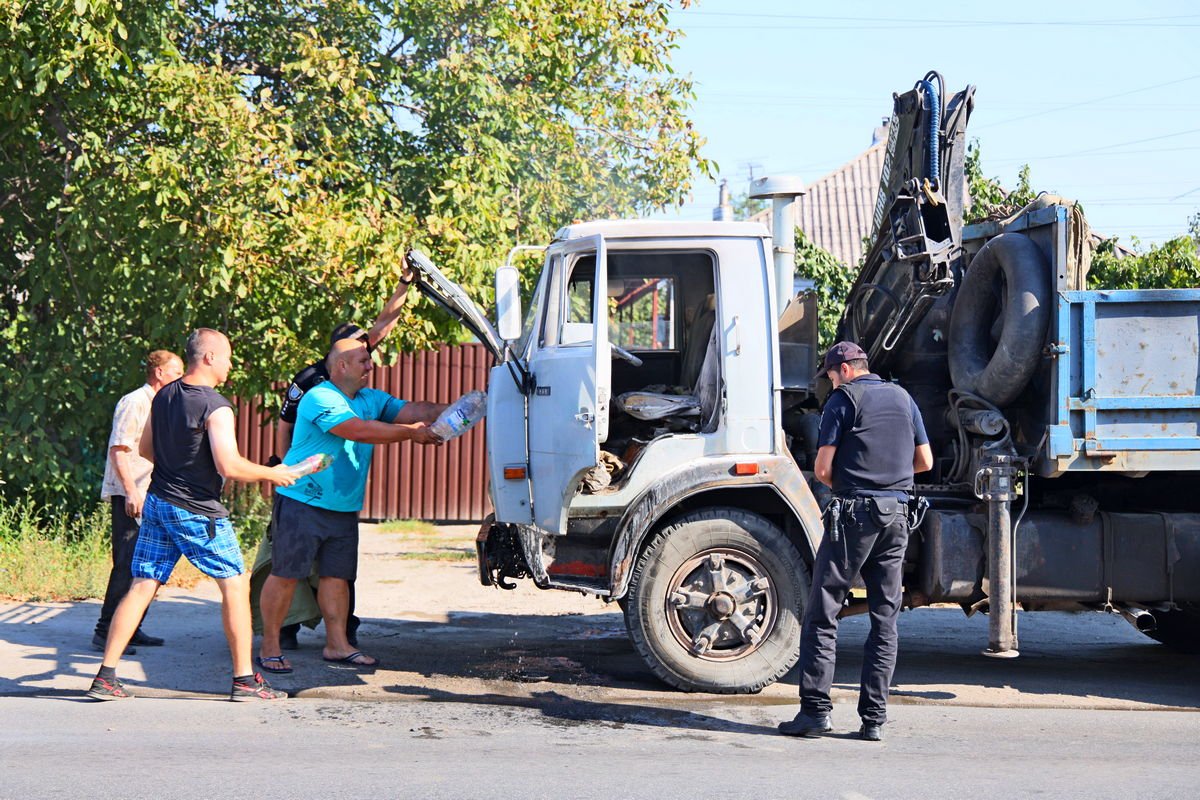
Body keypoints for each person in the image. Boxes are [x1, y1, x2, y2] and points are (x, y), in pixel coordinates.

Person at [87, 329, 298, 702]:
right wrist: (274, 473)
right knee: (235, 583)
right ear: (210, 358)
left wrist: (177, 469)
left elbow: (147, 449)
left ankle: (105, 676)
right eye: (229, 356)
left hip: (158, 502)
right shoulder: (215, 406)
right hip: (198, 511)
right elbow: (229, 465)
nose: (231, 364)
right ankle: (245, 680)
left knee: (142, 584)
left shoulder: (163, 395)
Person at [255, 336, 444, 673]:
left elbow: (415, 410)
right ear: (342, 365)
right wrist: (410, 433)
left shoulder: (370, 398)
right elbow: (356, 430)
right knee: (286, 575)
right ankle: (270, 646)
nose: (371, 366)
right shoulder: (319, 397)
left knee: (336, 577)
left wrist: (459, 409)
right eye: (363, 361)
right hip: (302, 501)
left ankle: (338, 645)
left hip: (341, 507)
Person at [779, 341, 934, 742]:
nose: (829, 382)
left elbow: (823, 468)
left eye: (830, 374)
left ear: (845, 369)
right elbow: (925, 463)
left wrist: (851, 485)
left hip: (854, 515)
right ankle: (874, 721)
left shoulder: (843, 400)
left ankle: (814, 713)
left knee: (823, 611)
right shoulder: (903, 397)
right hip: (898, 515)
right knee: (885, 618)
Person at [273, 263, 416, 650]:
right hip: (299, 481)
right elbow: (286, 425)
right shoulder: (311, 382)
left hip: (338, 494)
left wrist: (405, 283)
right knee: (287, 565)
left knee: (337, 570)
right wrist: (286, 467)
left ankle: (342, 634)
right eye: (363, 350)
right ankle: (282, 631)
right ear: (340, 355)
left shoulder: (354, 377)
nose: (370, 357)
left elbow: (385, 322)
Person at [92, 350, 184, 654]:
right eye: (176, 372)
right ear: (159, 373)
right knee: (127, 563)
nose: (181, 379)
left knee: (146, 564)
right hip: (131, 493)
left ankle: (131, 627)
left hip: (152, 492)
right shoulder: (135, 402)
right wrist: (131, 491)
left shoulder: (163, 403)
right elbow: (119, 450)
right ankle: (106, 632)